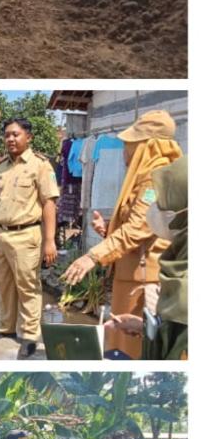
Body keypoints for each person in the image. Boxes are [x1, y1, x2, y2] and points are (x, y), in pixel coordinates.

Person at [61, 111, 183, 359]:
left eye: (130, 145)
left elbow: (139, 227)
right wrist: (108, 230)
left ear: (148, 146)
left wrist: (92, 256)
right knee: (121, 342)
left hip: (142, 281)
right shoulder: (145, 177)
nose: (125, 152)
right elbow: (144, 227)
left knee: (131, 349)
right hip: (130, 274)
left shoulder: (155, 178)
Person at [0, 119, 59, 359]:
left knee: (28, 286)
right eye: (7, 135)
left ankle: (29, 334)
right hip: (0, 234)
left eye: (16, 134)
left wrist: (50, 240)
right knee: (2, 283)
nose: (11, 139)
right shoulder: (2, 167)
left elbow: (49, 203)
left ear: (28, 137)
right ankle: (6, 325)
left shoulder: (40, 166)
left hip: (27, 235)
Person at [102, 153, 188, 360]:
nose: (156, 209)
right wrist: (145, 327)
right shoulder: (180, 258)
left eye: (165, 201)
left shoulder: (185, 277)